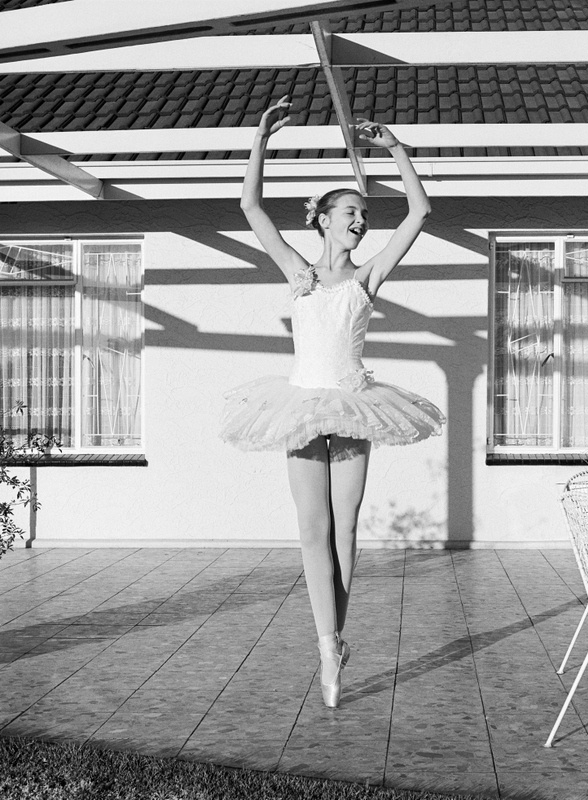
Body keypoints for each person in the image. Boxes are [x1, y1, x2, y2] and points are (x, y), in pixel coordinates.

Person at [220, 95, 445, 708]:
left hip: (352, 405)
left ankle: (334, 641)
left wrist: (396, 150)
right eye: (350, 212)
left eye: (364, 214)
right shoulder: (298, 273)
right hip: (297, 405)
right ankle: (327, 647)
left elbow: (419, 211)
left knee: (346, 528)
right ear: (321, 220)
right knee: (311, 529)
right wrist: (261, 136)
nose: (360, 221)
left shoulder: (367, 278)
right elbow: (249, 205)